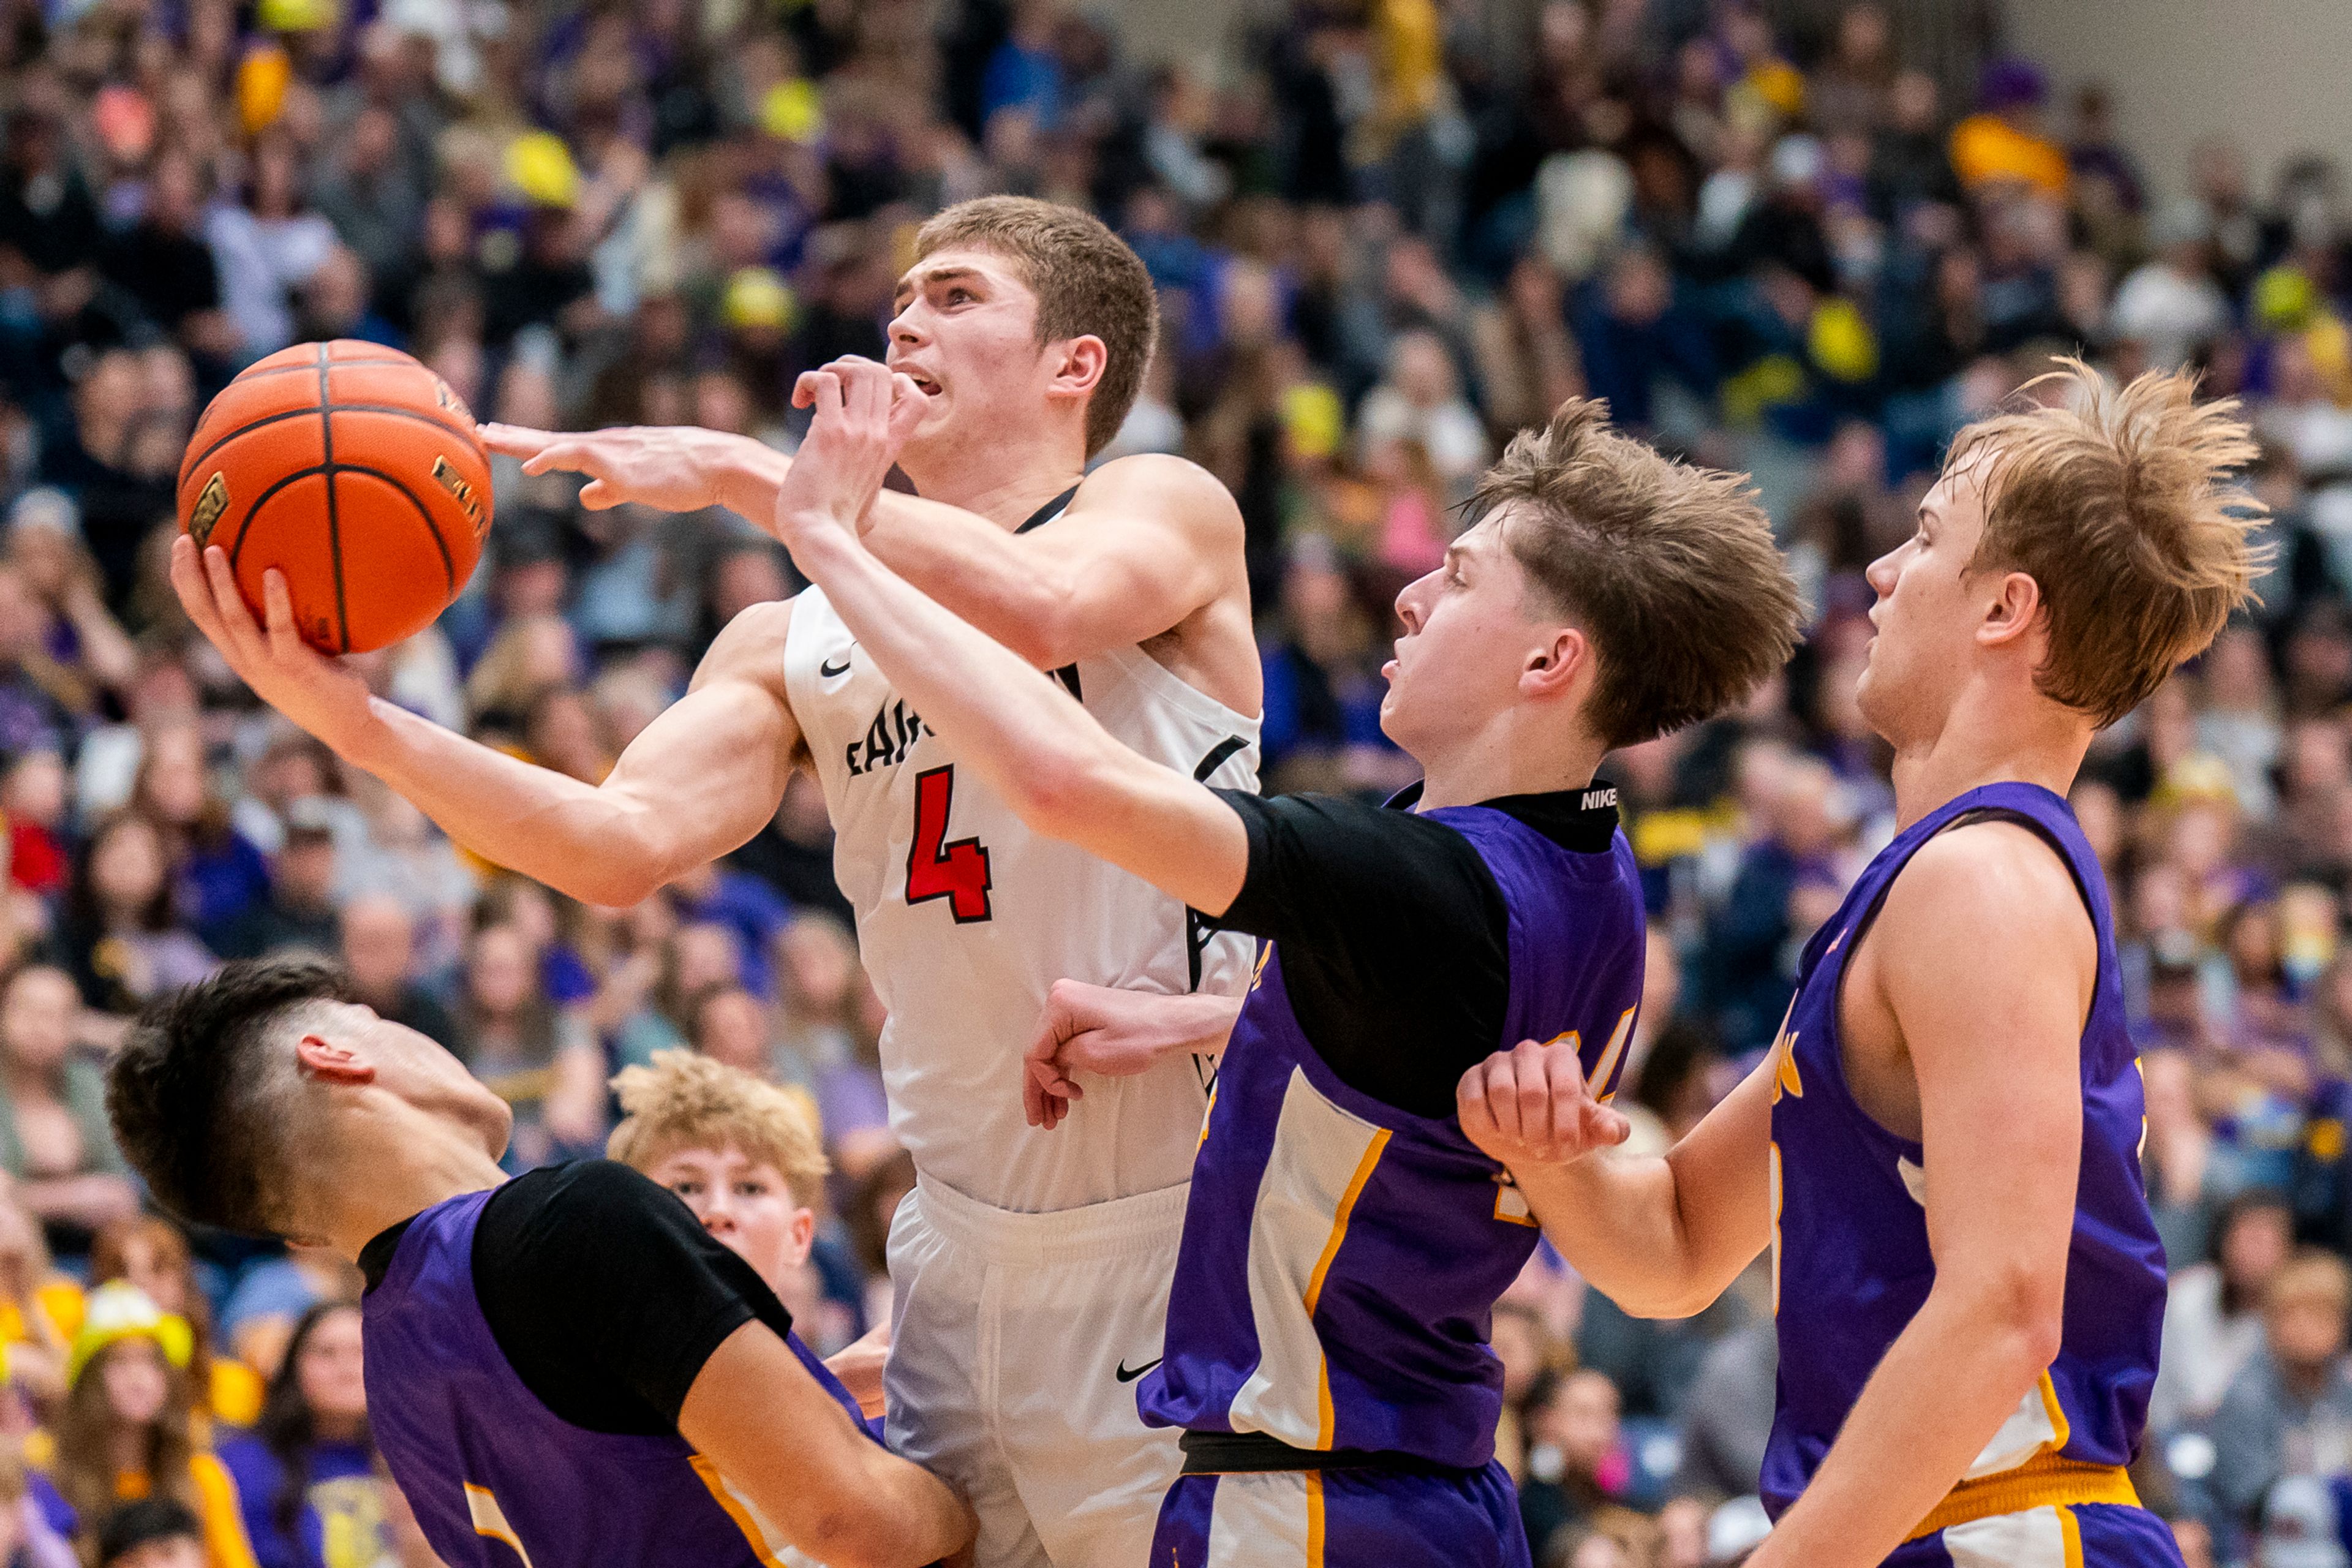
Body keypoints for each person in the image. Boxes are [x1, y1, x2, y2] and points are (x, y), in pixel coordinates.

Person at [177, 194, 1262, 1568]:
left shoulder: (1159, 507)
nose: (905, 317)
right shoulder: (787, 635)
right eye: (901, 297)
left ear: (1076, 364)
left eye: (957, 295)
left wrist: (762, 479)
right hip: (955, 1251)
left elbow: (1041, 606)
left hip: (1173, 1221)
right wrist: (356, 723)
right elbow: (612, 843)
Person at [761, 367, 1798, 1566]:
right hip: (1427, 1489)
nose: (1409, 596)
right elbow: (1410, 1050)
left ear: (1550, 660)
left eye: (1458, 579)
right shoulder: (1596, 866)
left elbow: (1066, 781)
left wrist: (830, 537)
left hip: (1306, 1497)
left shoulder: (1415, 880)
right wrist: (1222, 1014)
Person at [1465, 363, 2263, 1567]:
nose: (1883, 573)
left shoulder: (1982, 882)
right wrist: (1550, 1153)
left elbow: (2002, 1309)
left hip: (1998, 1530)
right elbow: (1677, 1242)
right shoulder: (1935, 887)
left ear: (2005, 609)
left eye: (1927, 538)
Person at [104, 959, 974, 1568]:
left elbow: (640, 1498)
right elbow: (847, 1520)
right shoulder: (575, 1220)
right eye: (381, 1022)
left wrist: (805, 1396)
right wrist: (988, 1509)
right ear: (339, 1054)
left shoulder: (393, 1381)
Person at [606, 1049, 867, 1402]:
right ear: (627, 1224)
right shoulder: (590, 1384)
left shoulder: (857, 1408)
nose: (718, 1211)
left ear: (798, 1236)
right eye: (685, 1187)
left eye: (749, 1188)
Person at [36, 1282, 260, 1568]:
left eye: (151, 1363)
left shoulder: (203, 1477)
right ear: (89, 1380)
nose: (138, 1379)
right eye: (120, 1362)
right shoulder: (52, 1475)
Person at [216, 1302, 382, 1568]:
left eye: (361, 1351)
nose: (346, 1368)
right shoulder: (242, 1464)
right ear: (294, 1367)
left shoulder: (421, 1459)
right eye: (327, 1353)